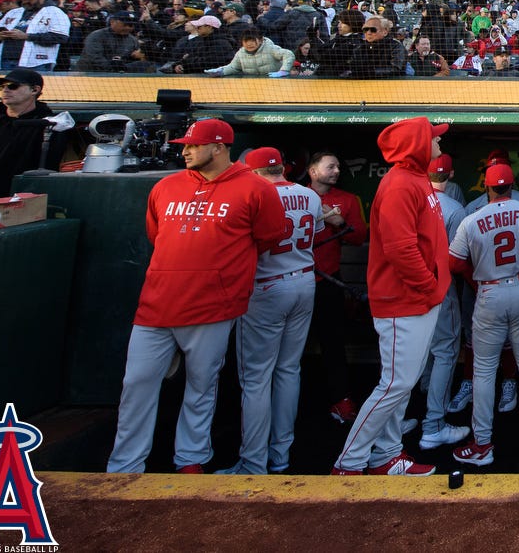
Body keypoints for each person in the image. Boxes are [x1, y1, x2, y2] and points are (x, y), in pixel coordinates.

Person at [107, 120, 283, 473]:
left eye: (193, 145)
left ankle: (191, 459)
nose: (184, 150)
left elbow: (268, 238)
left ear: (218, 147)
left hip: (213, 305)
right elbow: (157, 236)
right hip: (157, 302)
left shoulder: (256, 189)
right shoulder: (166, 186)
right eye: (184, 144)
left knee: (202, 387)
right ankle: (125, 465)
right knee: (136, 385)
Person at [333, 117, 450, 476]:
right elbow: (401, 250)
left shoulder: (415, 178)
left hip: (418, 300)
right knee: (394, 385)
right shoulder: (400, 183)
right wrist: (430, 289)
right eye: (433, 138)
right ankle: (349, 462)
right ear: (417, 144)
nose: (439, 144)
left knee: (401, 385)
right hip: (406, 301)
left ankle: (387, 455)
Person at [218, 148, 321, 475]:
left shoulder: (251, 194)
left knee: (257, 378)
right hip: (304, 281)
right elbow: (315, 234)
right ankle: (280, 455)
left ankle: (253, 462)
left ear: (254, 170)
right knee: (289, 370)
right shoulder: (309, 195)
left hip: (266, 287)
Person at [448, 161, 519, 468]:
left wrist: (479, 274)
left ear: (488, 187)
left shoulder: (473, 218)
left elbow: (454, 263)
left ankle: (482, 443)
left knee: (483, 370)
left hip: (490, 292)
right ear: (511, 186)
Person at [306, 151, 369, 426]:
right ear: (313, 171)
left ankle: (341, 400)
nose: (336, 171)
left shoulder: (347, 200)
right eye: (330, 166)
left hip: (328, 283)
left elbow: (359, 238)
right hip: (291, 283)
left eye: (338, 167)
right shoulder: (294, 196)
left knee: (333, 345)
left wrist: (338, 222)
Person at [0, 67, 82, 199]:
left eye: (13, 86)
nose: (6, 90)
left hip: (15, 204)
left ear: (35, 90)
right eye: (1, 87)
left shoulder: (49, 125)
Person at [416, 156, 470, 453]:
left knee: (415, 353)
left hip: (410, 287)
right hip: (440, 286)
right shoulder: (454, 208)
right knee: (444, 352)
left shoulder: (410, 201)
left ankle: (400, 419)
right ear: (450, 173)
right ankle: (433, 424)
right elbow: (459, 259)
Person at [0, 0, 70, 72]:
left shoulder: (56, 13)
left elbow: (61, 37)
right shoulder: (14, 12)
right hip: (5, 61)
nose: (25, 1)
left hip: (36, 63)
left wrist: (26, 36)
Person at [207, 29, 294, 77]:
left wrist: (283, 71)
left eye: (252, 40)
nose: (249, 44)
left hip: (275, 84)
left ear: (260, 40)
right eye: (246, 41)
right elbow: (234, 67)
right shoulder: (240, 53)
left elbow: (288, 55)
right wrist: (221, 71)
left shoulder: (270, 48)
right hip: (252, 86)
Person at [78, 12, 147, 72]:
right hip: (90, 74)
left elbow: (134, 60)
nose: (128, 28)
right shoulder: (97, 36)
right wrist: (116, 68)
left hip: (119, 77)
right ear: (112, 21)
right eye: (125, 25)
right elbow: (95, 58)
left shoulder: (132, 40)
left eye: (131, 25)